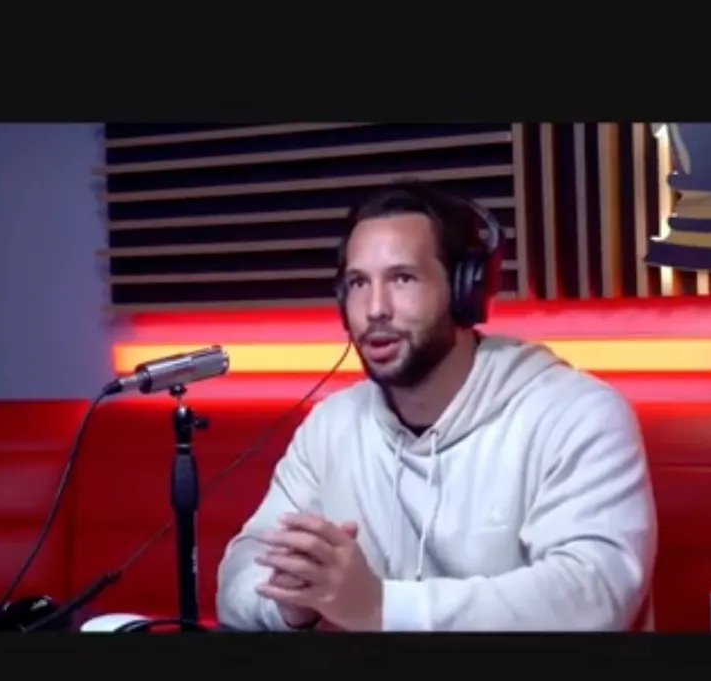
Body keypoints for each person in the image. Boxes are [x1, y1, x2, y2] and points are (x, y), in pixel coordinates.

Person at [216, 181, 657, 631]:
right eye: (358, 283)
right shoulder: (330, 426)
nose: (375, 308)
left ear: (466, 290)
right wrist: (291, 605)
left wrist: (380, 607)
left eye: (402, 278)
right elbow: (240, 574)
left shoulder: (576, 415)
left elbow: (593, 594)